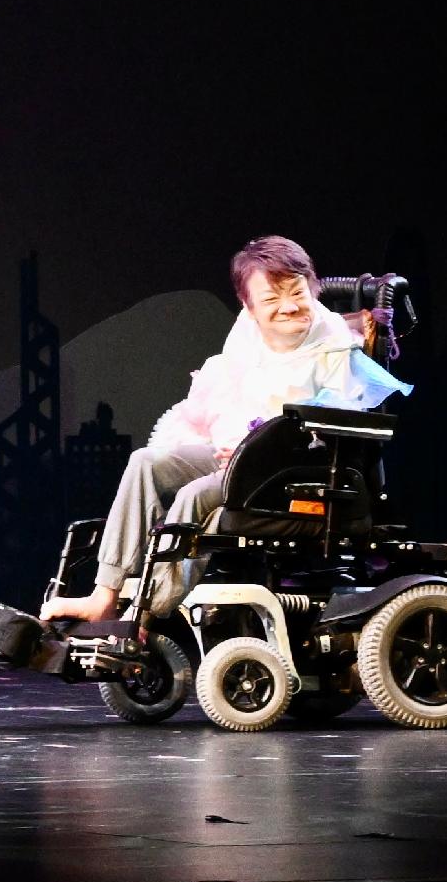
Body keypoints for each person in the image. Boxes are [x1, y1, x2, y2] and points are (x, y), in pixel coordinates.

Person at [36, 236, 408, 628]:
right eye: (271, 299)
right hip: (240, 459)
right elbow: (231, 398)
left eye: (298, 293)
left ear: (313, 288)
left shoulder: (335, 348)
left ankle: (145, 617)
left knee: (194, 496)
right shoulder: (247, 335)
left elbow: (328, 430)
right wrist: (237, 443)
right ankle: (104, 596)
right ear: (249, 306)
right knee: (146, 463)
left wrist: (256, 450)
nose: (288, 307)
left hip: (293, 474)